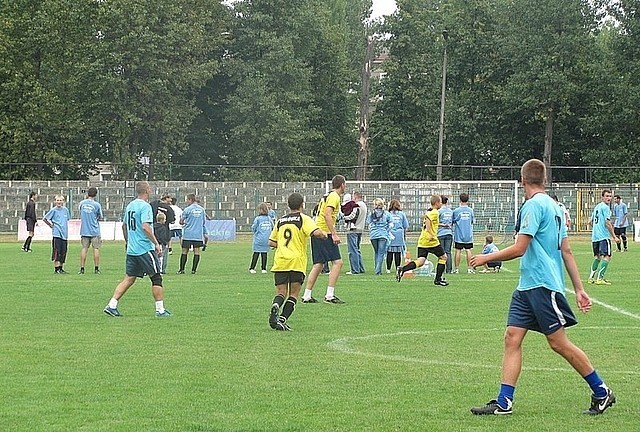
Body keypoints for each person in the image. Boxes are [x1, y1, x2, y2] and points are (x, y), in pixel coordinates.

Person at [469, 159, 615, 416]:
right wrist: (579, 289)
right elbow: (566, 251)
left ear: (522, 180)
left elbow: (519, 248)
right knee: (512, 338)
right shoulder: (555, 207)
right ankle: (504, 402)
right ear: (544, 180)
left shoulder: (533, 206)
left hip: (542, 285)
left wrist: (485, 258)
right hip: (527, 286)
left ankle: (602, 391)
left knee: (558, 343)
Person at [103, 181, 171, 318]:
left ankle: (111, 305)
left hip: (132, 249)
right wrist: (156, 243)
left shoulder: (131, 205)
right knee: (156, 277)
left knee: (129, 278)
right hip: (144, 248)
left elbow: (124, 226)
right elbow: (146, 227)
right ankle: (160, 310)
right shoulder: (145, 207)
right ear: (147, 191)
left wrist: (128, 242)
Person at [268, 193, 327, 331]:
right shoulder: (303, 219)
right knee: (293, 294)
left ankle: (276, 305)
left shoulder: (281, 221)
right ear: (302, 205)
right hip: (296, 261)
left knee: (281, 292)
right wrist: (324, 234)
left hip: (281, 261)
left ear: (288, 205)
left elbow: (271, 241)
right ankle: (282, 319)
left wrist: (282, 245)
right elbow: (316, 233)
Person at [301, 174, 347, 304]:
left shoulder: (327, 195)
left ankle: (307, 295)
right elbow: (327, 214)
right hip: (324, 232)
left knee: (318, 264)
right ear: (342, 184)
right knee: (338, 263)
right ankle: (329, 295)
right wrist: (334, 234)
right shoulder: (334, 196)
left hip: (317, 231)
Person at [396, 195, 449, 286]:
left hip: (423, 240)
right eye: (440, 202)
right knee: (443, 257)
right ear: (436, 203)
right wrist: (431, 233)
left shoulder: (431, 211)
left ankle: (402, 269)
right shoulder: (435, 212)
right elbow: (428, 218)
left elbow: (430, 221)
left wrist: (441, 225)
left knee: (421, 261)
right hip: (430, 240)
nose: (441, 204)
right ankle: (438, 279)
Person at [588, 189, 619, 285]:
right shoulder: (605, 208)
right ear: (602, 197)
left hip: (595, 237)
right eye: (607, 196)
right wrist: (614, 237)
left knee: (597, 257)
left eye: (610, 196)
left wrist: (597, 229)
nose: (609, 198)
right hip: (603, 237)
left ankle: (591, 278)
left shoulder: (597, 207)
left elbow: (590, 221)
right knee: (607, 256)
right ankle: (600, 278)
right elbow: (608, 223)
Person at [177, 193, 207, 274]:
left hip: (188, 234)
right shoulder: (202, 209)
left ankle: (182, 269)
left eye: (187, 200)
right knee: (196, 252)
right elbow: (203, 222)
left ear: (190, 199)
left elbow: (181, 221)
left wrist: (182, 222)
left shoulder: (187, 209)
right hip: (197, 234)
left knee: (184, 251)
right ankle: (194, 270)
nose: (187, 201)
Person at [78, 187, 104, 274]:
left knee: (84, 248)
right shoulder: (97, 205)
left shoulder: (82, 203)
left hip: (84, 230)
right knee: (96, 248)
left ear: (87, 194)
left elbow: (80, 213)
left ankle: (82, 268)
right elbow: (100, 217)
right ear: (95, 195)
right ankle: (96, 268)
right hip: (94, 230)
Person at [43, 195, 71, 273]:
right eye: (57, 200)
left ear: (63, 201)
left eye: (60, 200)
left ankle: (61, 267)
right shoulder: (53, 210)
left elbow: (67, 219)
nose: (59, 202)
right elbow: (45, 219)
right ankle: (57, 268)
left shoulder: (65, 210)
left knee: (63, 251)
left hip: (64, 234)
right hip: (57, 234)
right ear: (55, 201)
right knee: (57, 251)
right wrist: (51, 225)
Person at [366, 198, 392, 275]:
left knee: (376, 252)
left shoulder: (371, 213)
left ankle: (376, 268)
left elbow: (368, 223)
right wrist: (386, 231)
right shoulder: (386, 214)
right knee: (381, 253)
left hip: (373, 235)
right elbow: (391, 224)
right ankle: (378, 271)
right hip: (383, 234)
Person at [344, 191, 367, 275]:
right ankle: (360, 268)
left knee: (352, 250)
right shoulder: (364, 205)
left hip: (353, 229)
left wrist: (344, 217)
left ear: (356, 197)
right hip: (360, 229)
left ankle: (354, 269)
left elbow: (353, 216)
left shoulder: (357, 205)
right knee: (357, 249)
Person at [453, 193, 475, 274]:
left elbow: (453, 221)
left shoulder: (456, 211)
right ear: (467, 200)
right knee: (468, 250)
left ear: (460, 200)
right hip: (468, 234)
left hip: (459, 235)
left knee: (458, 250)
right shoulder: (470, 210)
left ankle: (456, 269)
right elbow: (472, 221)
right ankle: (469, 268)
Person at [249, 202, 273, 274]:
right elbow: (273, 227)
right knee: (264, 254)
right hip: (266, 239)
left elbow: (254, 227)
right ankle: (263, 268)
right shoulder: (269, 218)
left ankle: (252, 268)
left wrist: (256, 232)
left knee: (256, 253)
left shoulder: (258, 219)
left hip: (258, 239)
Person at [386, 199, 409, 273]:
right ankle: (397, 268)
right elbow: (405, 225)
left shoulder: (387, 213)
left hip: (390, 234)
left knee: (389, 253)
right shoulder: (402, 214)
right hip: (399, 235)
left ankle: (388, 269)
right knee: (398, 253)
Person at [437, 195, 454, 274]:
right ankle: (449, 269)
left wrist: (442, 225)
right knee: (448, 252)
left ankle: (441, 269)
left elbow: (435, 223)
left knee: (441, 253)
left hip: (441, 233)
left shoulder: (439, 211)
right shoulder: (450, 211)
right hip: (449, 233)